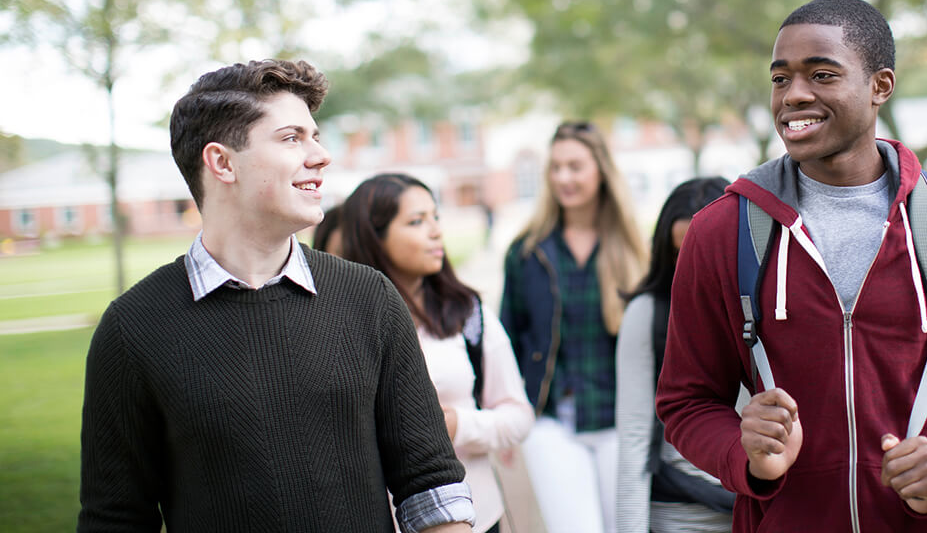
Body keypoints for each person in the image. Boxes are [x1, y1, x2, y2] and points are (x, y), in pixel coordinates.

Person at [655, 0, 927, 532]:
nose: (794, 95)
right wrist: (744, 454)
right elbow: (686, 400)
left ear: (880, 86)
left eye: (821, 74)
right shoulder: (719, 233)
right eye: (780, 79)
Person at [78, 60, 474, 533]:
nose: (321, 155)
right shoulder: (133, 328)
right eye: (291, 138)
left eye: (315, 136)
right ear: (222, 162)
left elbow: (431, 486)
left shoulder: (369, 298)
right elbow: (115, 518)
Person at [341, 173, 534, 533]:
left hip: (474, 515)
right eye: (416, 222)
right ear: (373, 237)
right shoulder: (341, 324)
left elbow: (518, 417)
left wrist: (457, 424)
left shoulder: (467, 313)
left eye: (435, 217)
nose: (435, 231)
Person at [500, 121, 648, 533]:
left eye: (575, 166)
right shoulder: (527, 251)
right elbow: (508, 337)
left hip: (622, 421)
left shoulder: (634, 250)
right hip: (551, 421)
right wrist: (506, 415)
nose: (563, 177)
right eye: (556, 167)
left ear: (600, 169)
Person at [616, 176, 734, 533]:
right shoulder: (647, 313)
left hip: (758, 509)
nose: (690, 267)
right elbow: (634, 438)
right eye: (678, 252)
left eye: (702, 249)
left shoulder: (772, 307)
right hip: (680, 516)